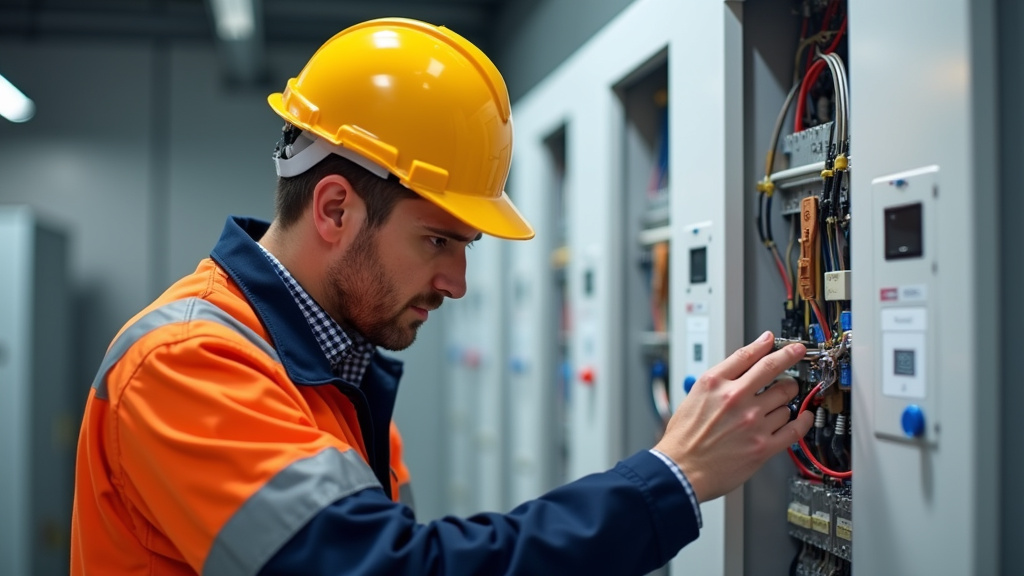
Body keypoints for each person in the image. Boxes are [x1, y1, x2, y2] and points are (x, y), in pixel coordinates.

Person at [70, 17, 813, 576]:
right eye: (437, 241)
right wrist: (673, 477)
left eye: (466, 248)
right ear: (334, 209)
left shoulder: (338, 375)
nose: (457, 283)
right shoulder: (186, 364)